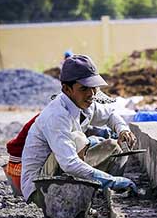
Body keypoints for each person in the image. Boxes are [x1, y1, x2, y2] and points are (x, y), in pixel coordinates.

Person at [21, 54, 138, 209]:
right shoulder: (57, 115)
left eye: (94, 87)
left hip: (61, 170)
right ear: (67, 89)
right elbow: (69, 163)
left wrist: (122, 129)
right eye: (84, 88)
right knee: (78, 139)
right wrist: (111, 181)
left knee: (112, 147)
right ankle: (99, 189)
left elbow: (110, 114)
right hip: (41, 187)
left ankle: (99, 193)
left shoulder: (85, 102)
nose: (91, 94)